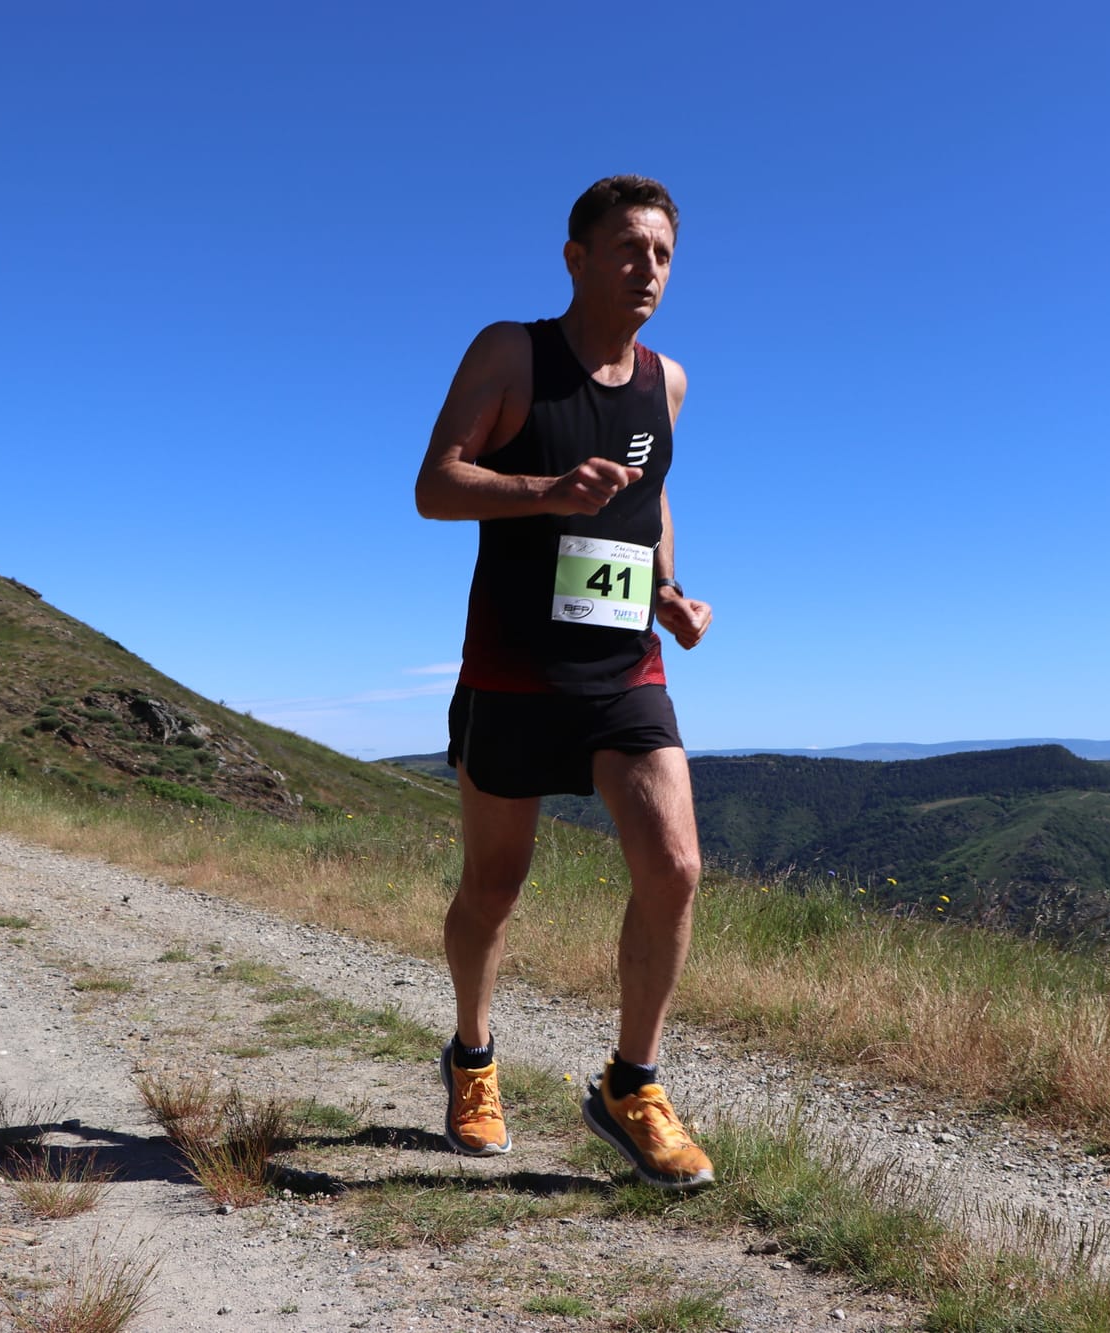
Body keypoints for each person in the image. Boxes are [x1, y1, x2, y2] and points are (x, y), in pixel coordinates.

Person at [413, 174, 715, 1190]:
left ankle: (631, 1085)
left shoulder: (666, 381)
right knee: (494, 887)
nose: (649, 270)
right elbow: (433, 484)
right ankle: (471, 1057)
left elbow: (653, 496)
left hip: (622, 659)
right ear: (575, 257)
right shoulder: (513, 352)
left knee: (672, 865)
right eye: (629, 248)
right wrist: (543, 492)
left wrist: (671, 588)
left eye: (664, 254)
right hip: (511, 662)